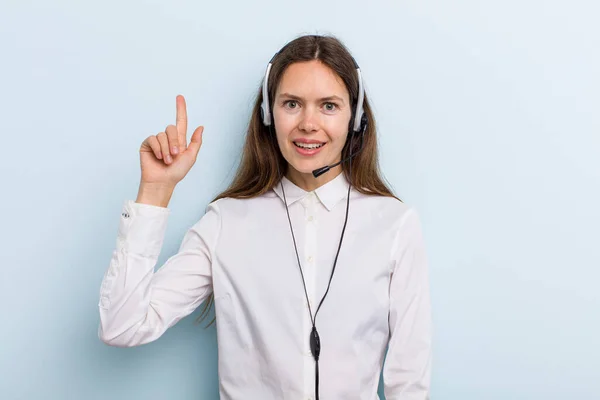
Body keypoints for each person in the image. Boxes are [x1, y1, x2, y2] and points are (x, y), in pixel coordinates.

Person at [98, 34, 432, 400]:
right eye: (292, 104)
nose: (308, 123)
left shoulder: (395, 224)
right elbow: (122, 327)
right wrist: (155, 192)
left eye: (329, 106)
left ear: (355, 119)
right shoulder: (225, 222)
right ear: (268, 114)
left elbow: (409, 381)